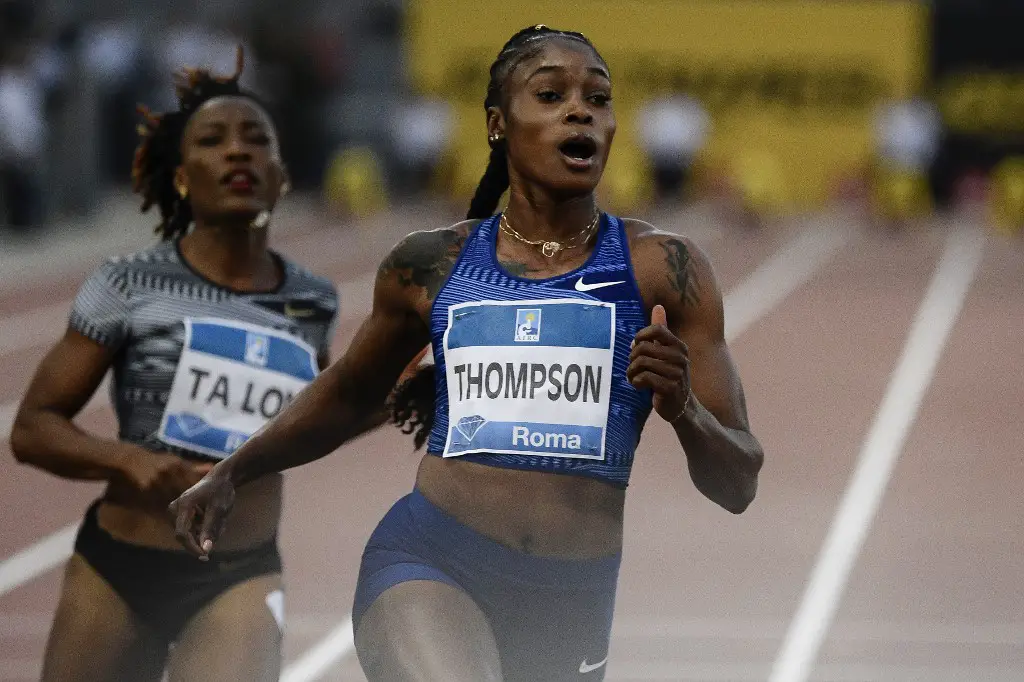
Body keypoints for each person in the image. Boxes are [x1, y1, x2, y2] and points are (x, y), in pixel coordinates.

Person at [171, 26, 765, 681]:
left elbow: (738, 483)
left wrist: (684, 410)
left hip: (571, 601)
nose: (581, 111)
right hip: (431, 560)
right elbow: (348, 393)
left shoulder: (665, 269)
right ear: (497, 124)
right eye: (551, 94)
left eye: (598, 98)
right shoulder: (433, 264)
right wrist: (234, 470)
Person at [10, 49, 360, 682]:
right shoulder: (127, 284)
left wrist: (397, 396)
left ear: (280, 176)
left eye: (257, 140)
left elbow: (317, 416)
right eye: (212, 140)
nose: (237, 152)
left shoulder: (312, 301)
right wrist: (129, 460)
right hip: (120, 568)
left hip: (239, 571)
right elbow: (33, 427)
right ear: (180, 176)